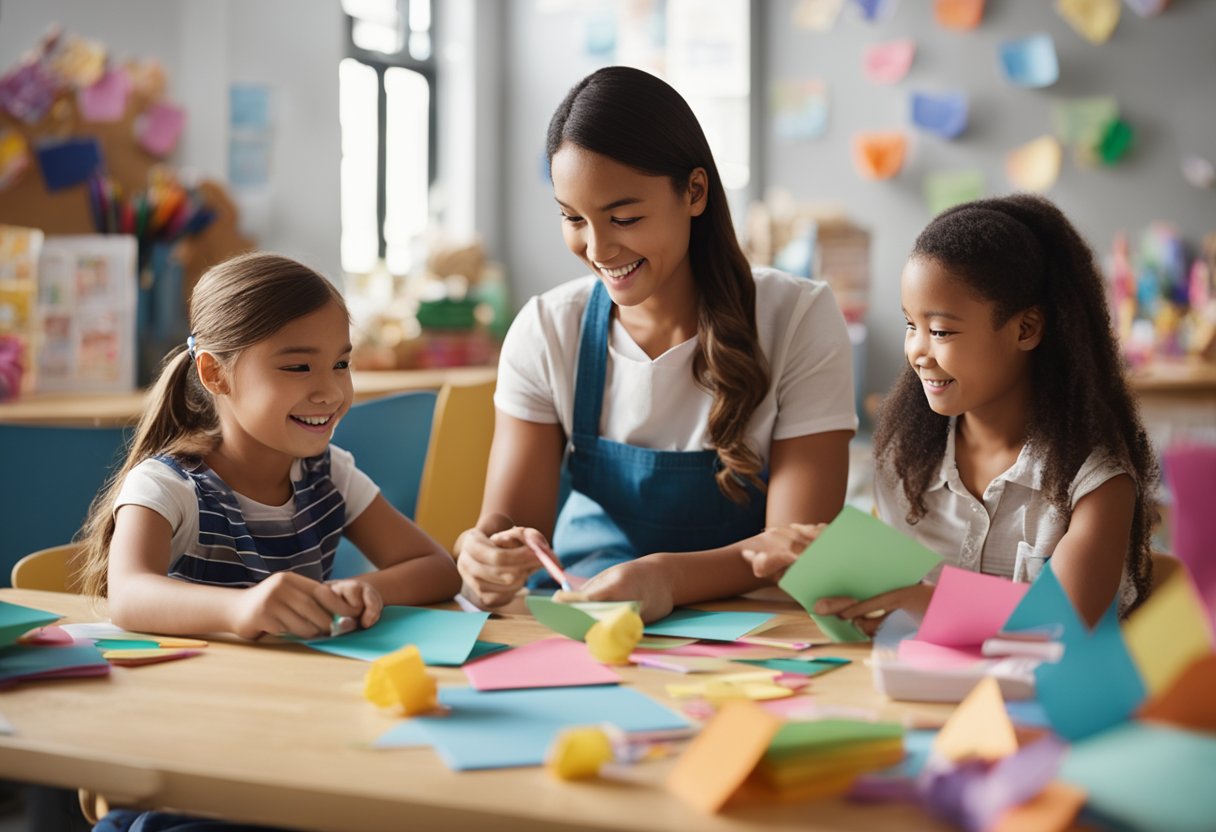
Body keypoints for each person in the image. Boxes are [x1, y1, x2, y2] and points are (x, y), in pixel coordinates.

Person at [455, 66, 858, 620]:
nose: (598, 248)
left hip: (753, 626)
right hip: (588, 619)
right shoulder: (548, 328)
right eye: (573, 219)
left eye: (623, 217)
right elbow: (512, 531)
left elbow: (794, 547)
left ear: (694, 192)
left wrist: (668, 577)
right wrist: (483, 555)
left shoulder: (797, 318)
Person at [745, 194, 1157, 631]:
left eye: (941, 330)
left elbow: (1064, 621)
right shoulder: (905, 461)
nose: (918, 352)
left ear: (1026, 328)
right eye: (910, 325)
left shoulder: (1097, 482)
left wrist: (913, 599)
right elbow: (893, 612)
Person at [77, 252, 461, 640]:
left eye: (341, 365)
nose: (330, 392)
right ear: (215, 373)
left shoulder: (329, 475)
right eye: (298, 368)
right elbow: (128, 597)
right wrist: (241, 608)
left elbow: (438, 568)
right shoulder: (167, 486)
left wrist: (362, 591)